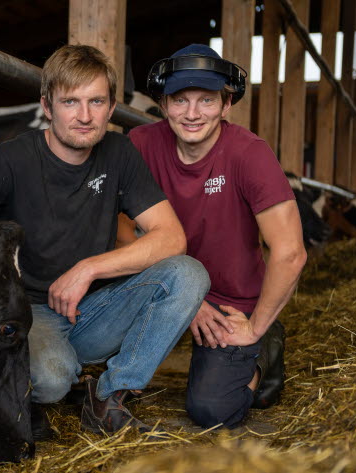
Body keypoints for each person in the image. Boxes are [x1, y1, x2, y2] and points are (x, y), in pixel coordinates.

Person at [0, 44, 210, 436]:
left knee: (188, 274)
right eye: (70, 102)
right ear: (47, 106)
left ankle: (109, 396)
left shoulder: (119, 153)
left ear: (111, 108)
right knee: (52, 381)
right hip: (28, 312)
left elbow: (172, 237)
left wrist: (88, 269)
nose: (85, 116)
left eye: (96, 102)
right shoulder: (11, 159)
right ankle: (63, 371)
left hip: (94, 311)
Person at [129, 44, 307, 429]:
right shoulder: (140, 145)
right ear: (163, 103)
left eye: (206, 100)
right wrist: (183, 298)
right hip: (157, 287)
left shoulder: (249, 154)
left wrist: (254, 327)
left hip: (230, 301)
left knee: (212, 409)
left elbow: (291, 252)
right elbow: (114, 228)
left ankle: (264, 348)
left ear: (226, 105)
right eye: (180, 99)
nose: (192, 113)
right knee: (104, 382)